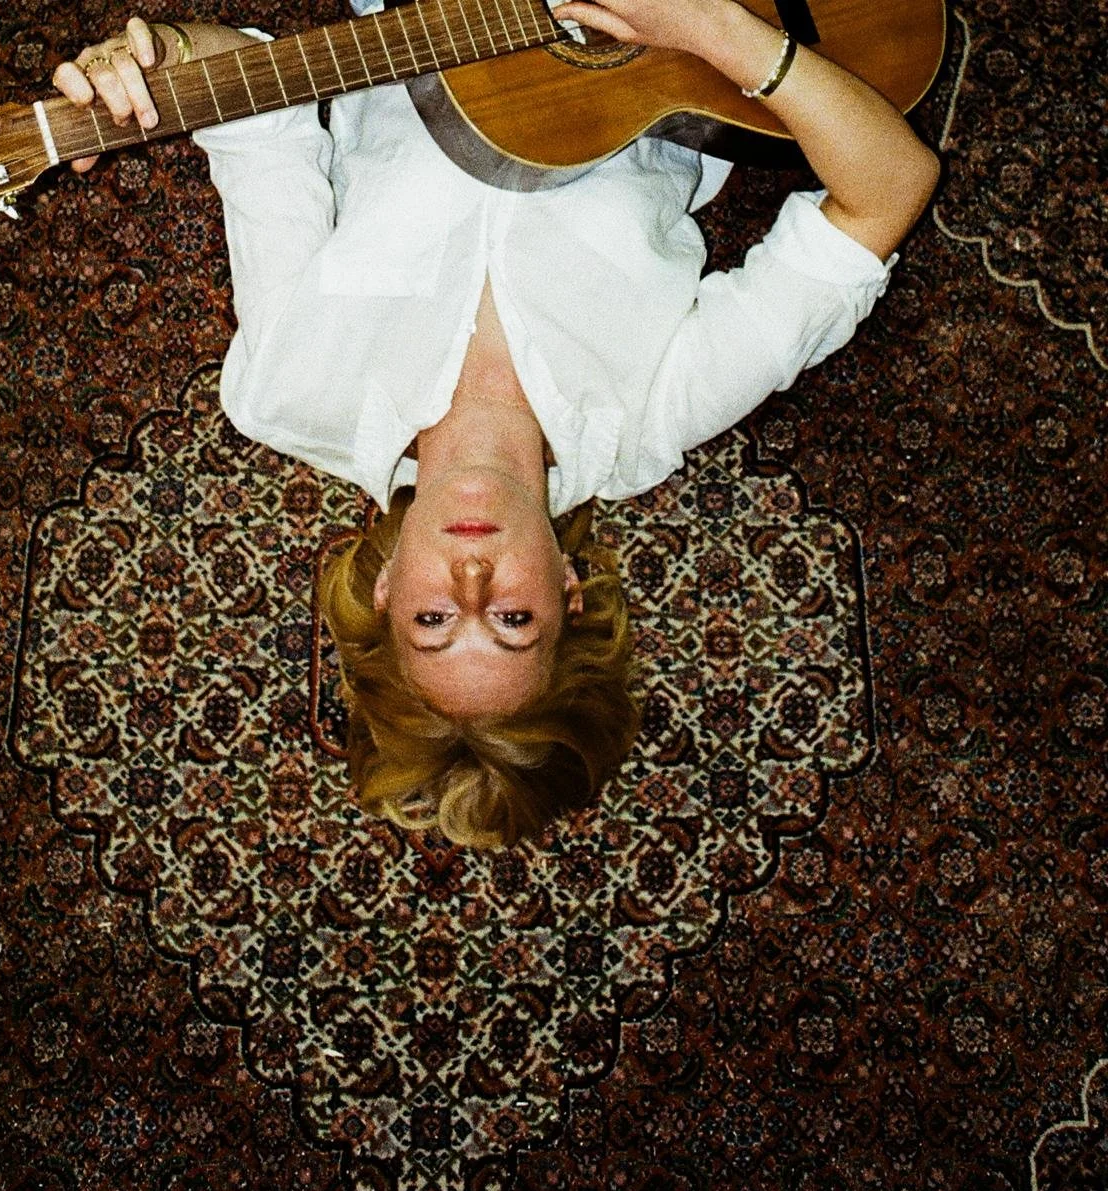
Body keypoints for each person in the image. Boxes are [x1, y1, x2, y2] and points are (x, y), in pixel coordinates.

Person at [52, 1, 939, 847]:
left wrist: (156, 61)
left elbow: (254, 109)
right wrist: (718, 29)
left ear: (387, 592)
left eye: (435, 619)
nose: (472, 580)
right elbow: (889, 188)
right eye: (512, 618)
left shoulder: (288, 390)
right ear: (569, 593)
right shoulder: (653, 414)